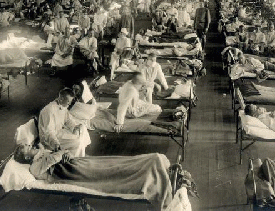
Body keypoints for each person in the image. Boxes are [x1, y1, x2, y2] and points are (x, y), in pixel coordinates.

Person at [13, 145, 173, 210]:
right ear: (26, 157)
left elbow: (60, 153)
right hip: (71, 172)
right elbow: (54, 159)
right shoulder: (34, 166)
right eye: (28, 148)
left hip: (76, 163)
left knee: (113, 162)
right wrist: (60, 153)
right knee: (112, 171)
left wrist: (65, 152)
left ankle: (152, 162)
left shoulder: (41, 154)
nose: (31, 146)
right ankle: (151, 171)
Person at [38, 88, 91, 157]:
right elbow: (49, 132)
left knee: (82, 129)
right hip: (49, 140)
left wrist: (74, 127)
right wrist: (56, 143)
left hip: (58, 132)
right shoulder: (49, 110)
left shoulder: (63, 106)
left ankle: (79, 153)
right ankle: (76, 158)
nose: (70, 103)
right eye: (68, 101)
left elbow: (68, 120)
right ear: (61, 99)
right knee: (77, 142)